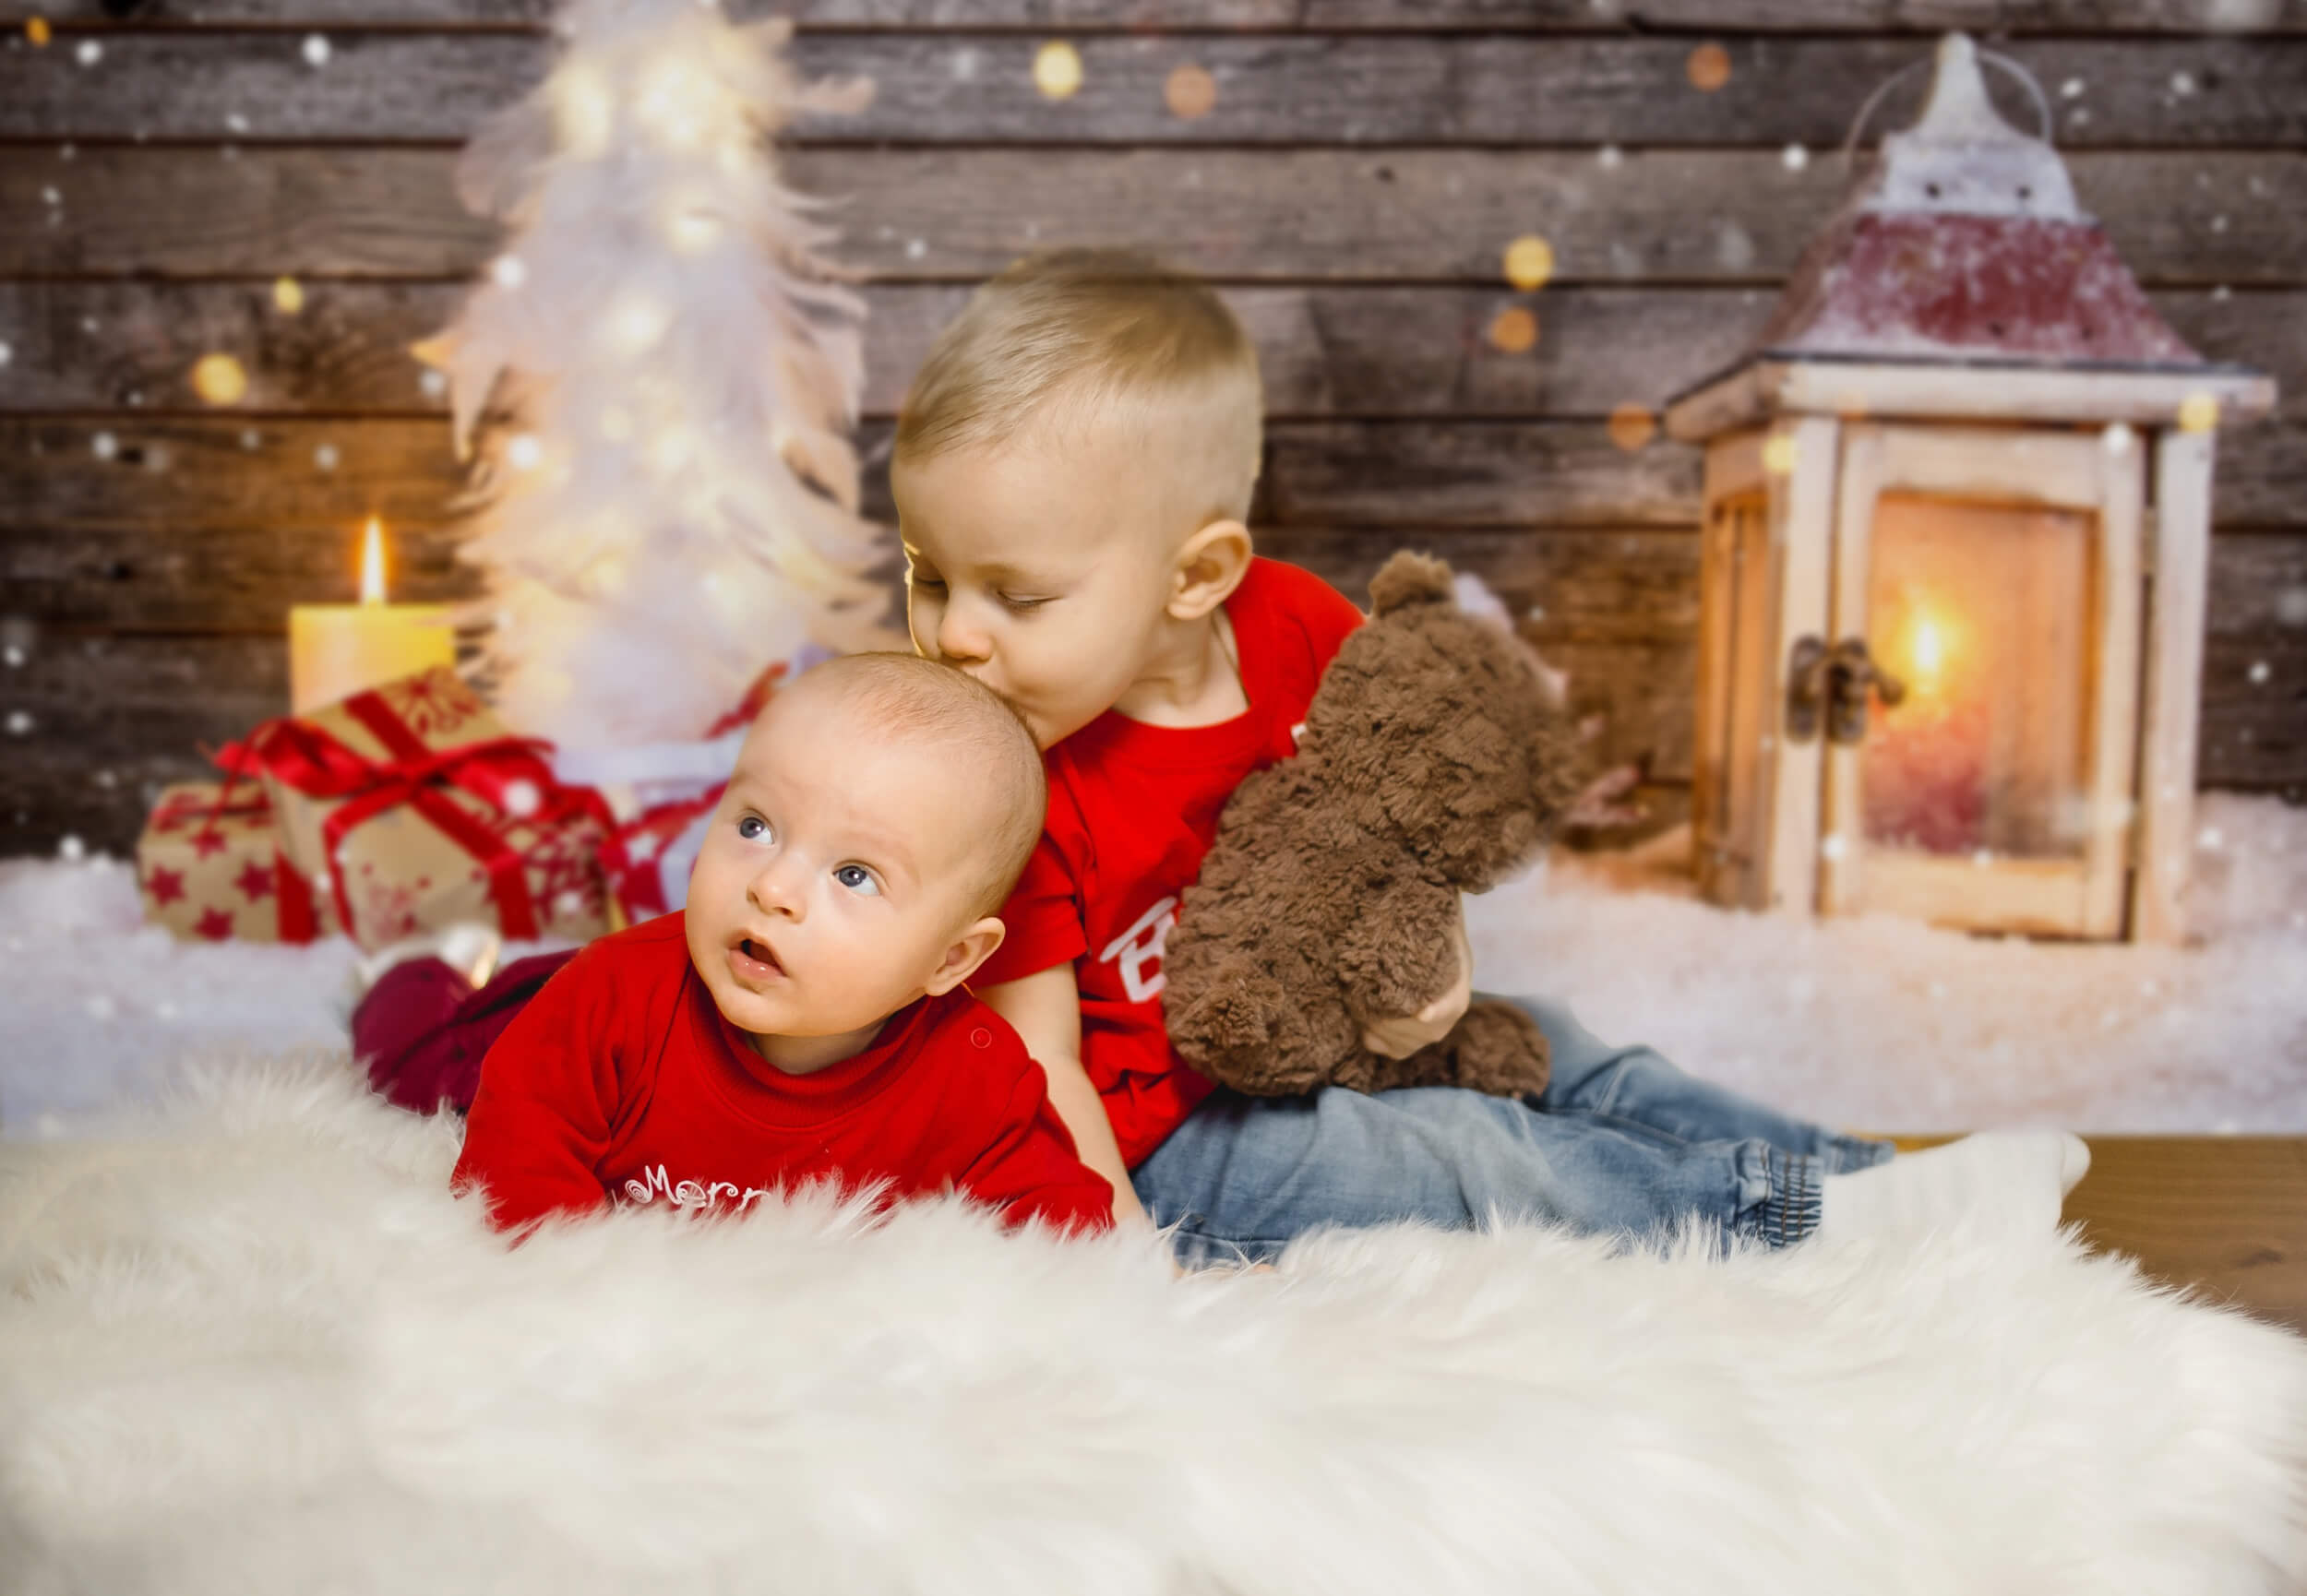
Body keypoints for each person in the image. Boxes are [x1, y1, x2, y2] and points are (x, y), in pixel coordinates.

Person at [889, 247, 2089, 1268]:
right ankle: (1793, 1230)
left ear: (1196, 575)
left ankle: (1864, 1180)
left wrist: (1439, 969)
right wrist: (1123, 1264)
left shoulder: (1296, 629)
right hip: (1171, 1152)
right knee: (1465, 1157)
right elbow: (1039, 1071)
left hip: (1332, 1043)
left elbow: (1402, 816)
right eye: (929, 577)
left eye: (1016, 594)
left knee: (1561, 1046)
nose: (955, 635)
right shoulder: (1002, 783)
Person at [451, 653, 1116, 1239]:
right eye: (756, 826)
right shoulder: (613, 995)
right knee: (439, 1046)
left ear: (950, 959)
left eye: (853, 875)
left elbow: (1066, 1243)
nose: (772, 888)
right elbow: (515, 1167)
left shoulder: (974, 1079)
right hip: (509, 1050)